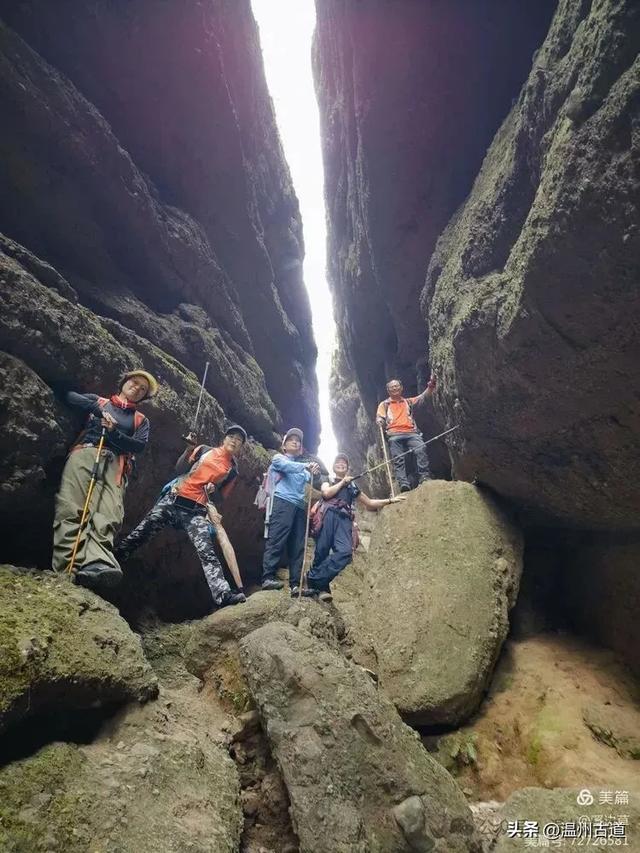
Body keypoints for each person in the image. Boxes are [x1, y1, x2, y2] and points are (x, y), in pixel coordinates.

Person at [115, 425, 248, 608]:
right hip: (175, 497)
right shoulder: (204, 450)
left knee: (207, 551)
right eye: (231, 436)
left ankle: (223, 594)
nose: (234, 440)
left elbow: (220, 497)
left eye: (239, 440)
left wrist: (214, 489)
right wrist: (188, 450)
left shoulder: (232, 470)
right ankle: (115, 557)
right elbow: (180, 469)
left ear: (241, 447)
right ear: (224, 439)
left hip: (196, 510)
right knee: (143, 531)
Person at [52, 369, 158, 588]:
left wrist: (114, 433)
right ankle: (67, 566)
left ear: (144, 397)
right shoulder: (98, 401)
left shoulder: (140, 420)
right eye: (135, 382)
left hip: (115, 463)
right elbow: (68, 395)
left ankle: (96, 563)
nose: (137, 388)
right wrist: (98, 410)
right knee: (72, 507)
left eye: (143, 389)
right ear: (124, 381)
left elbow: (139, 445)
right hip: (86, 453)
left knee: (108, 512)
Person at [306, 453, 405, 600]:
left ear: (347, 468)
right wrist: (342, 483)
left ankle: (313, 577)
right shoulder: (328, 479)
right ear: (333, 466)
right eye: (338, 462)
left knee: (345, 552)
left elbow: (370, 502)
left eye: (344, 463)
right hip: (327, 515)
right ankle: (321, 588)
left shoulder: (352, 486)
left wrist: (390, 500)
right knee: (322, 551)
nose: (341, 464)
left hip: (344, 520)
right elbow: (326, 493)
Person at [260, 427, 320, 596]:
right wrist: (307, 466)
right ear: (284, 446)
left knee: (298, 546)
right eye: (291, 440)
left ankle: (296, 585)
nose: (296, 442)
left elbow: (313, 478)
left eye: (298, 441)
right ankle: (267, 578)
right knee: (277, 539)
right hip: (282, 502)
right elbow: (285, 466)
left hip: (300, 506)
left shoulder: (302, 467)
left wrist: (314, 470)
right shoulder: (279, 458)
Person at [375, 376, 437, 492]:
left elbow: (422, 397)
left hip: (411, 432)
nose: (394, 388)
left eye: (396, 386)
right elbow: (380, 417)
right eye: (392, 387)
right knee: (398, 459)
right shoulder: (384, 405)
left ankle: (424, 476)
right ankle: (403, 483)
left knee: (421, 448)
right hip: (394, 434)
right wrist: (380, 421)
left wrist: (431, 385)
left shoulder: (408, 402)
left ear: (401, 388)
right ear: (388, 390)